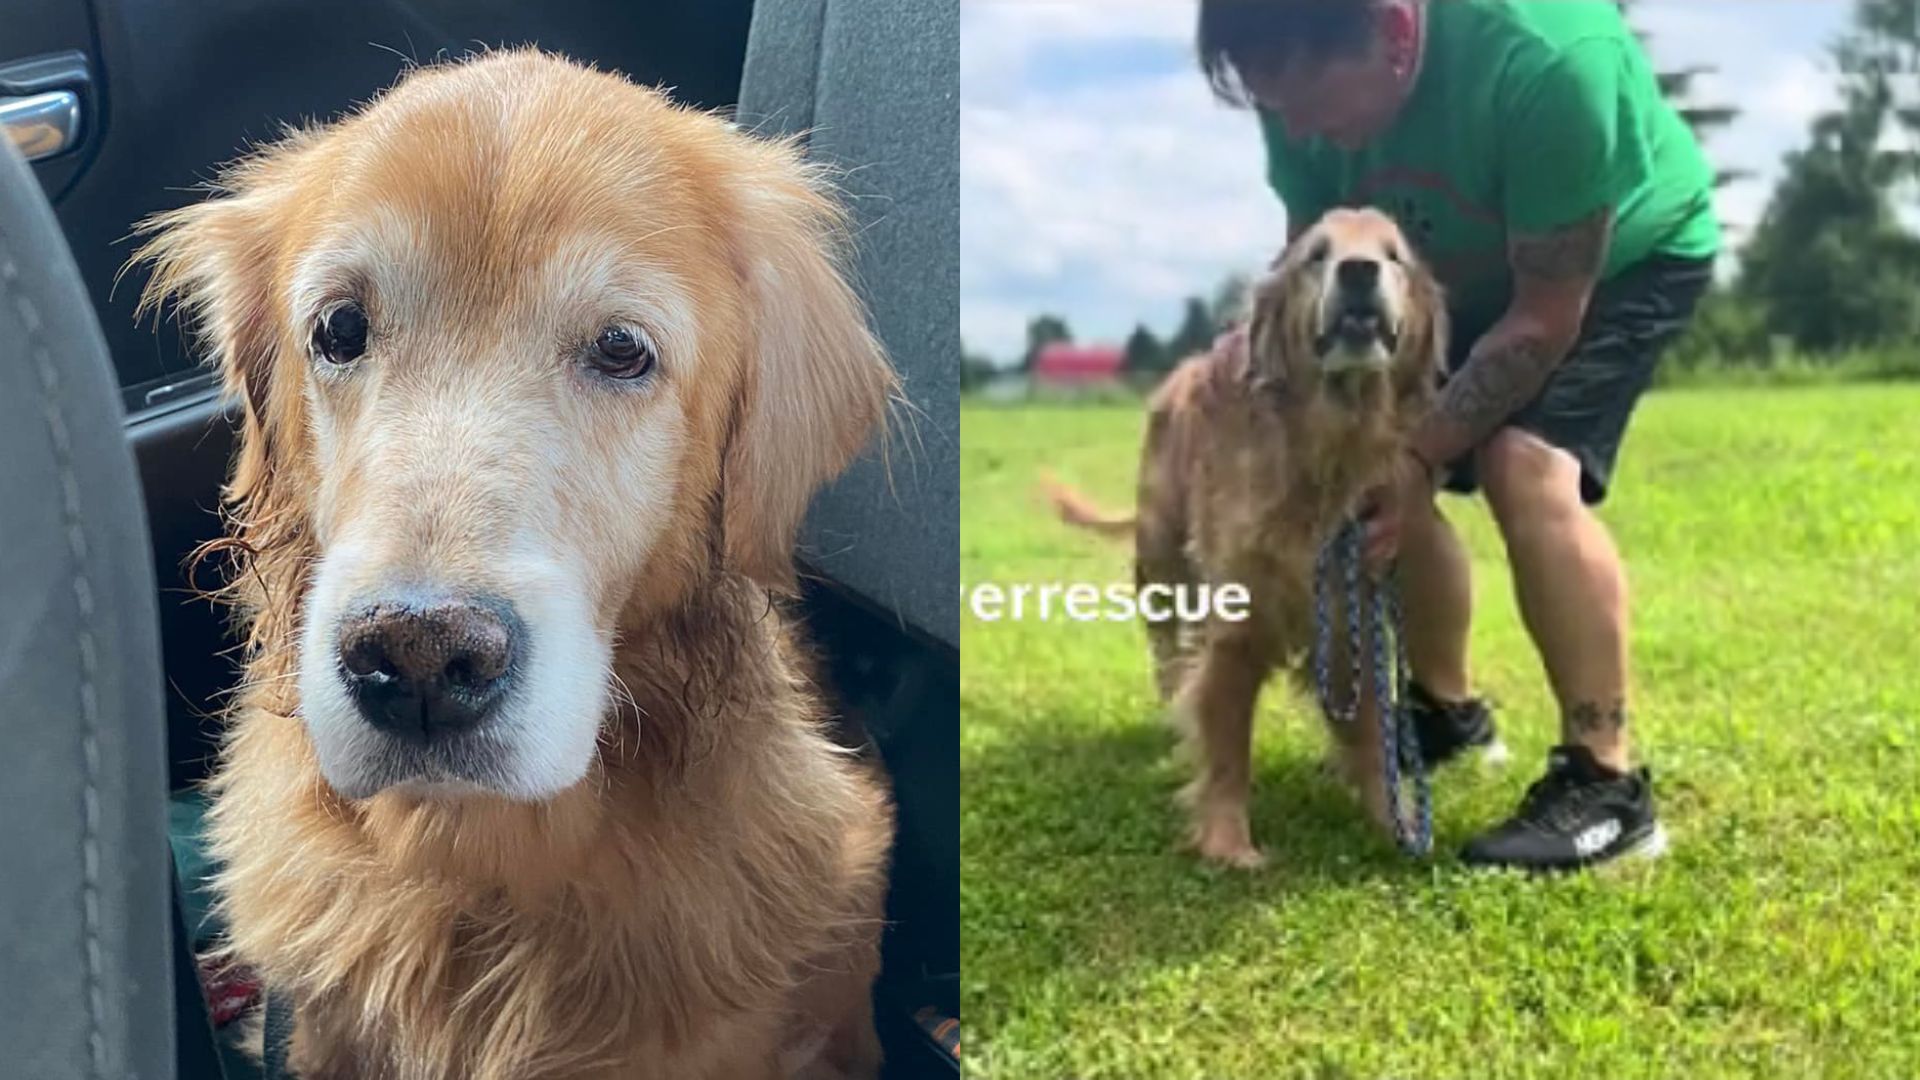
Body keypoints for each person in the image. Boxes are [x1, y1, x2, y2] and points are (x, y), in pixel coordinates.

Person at [1196, 0, 1719, 871]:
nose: (1296, 131)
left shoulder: (1548, 63)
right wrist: (1255, 355)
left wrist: (1422, 453)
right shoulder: (1295, 73)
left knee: (1522, 463)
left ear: (1396, 36)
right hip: (1444, 272)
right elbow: (1306, 246)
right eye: (1273, 106)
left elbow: (1544, 318)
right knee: (1370, 482)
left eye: (1311, 106)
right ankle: (1449, 712)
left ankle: (1608, 786)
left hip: (1615, 263)